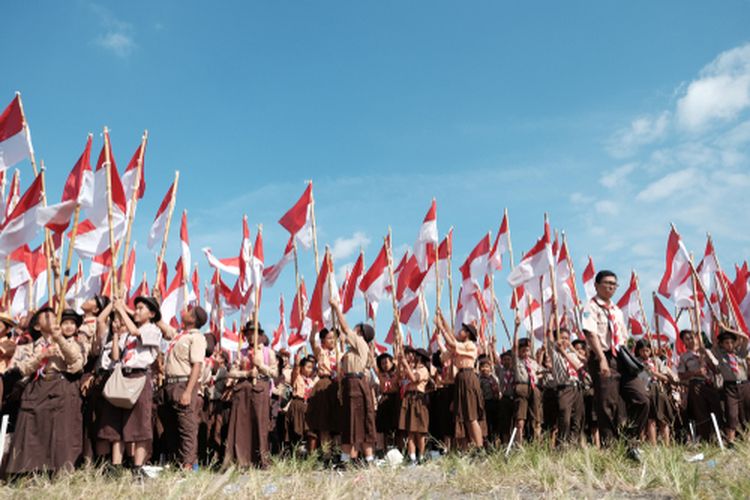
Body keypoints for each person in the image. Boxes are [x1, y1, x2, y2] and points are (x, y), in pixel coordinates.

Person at [5, 307, 85, 474]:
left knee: (60, 431)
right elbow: (23, 368)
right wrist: (42, 355)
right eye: (46, 316)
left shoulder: (70, 341)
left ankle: (59, 471)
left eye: (53, 315)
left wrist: (60, 340)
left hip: (60, 386)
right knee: (32, 428)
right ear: (37, 326)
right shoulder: (32, 346)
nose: (52, 317)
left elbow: (75, 363)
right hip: (37, 386)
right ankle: (29, 470)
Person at [581, 270, 649, 456]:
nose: (611, 287)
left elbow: (623, 337)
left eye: (614, 284)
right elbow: (590, 333)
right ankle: (610, 449)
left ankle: (629, 441)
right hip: (603, 358)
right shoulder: (590, 307)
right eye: (607, 283)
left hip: (622, 359)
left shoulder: (617, 310)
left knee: (641, 398)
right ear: (596, 285)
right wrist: (601, 359)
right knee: (607, 405)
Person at [98, 296, 162, 471]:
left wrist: (121, 309)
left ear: (152, 313)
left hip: (139, 378)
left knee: (140, 424)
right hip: (124, 376)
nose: (136, 311)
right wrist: (117, 334)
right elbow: (116, 356)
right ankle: (116, 466)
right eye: (136, 308)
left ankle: (137, 467)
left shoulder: (152, 330)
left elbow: (136, 333)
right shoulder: (128, 335)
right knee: (118, 422)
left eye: (141, 308)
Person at [157, 306, 208, 469]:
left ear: (193, 319)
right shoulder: (180, 335)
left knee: (186, 427)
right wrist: (156, 303)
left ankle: (188, 467)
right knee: (171, 427)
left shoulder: (197, 338)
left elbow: (197, 366)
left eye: (188, 311)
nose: (183, 312)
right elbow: (160, 323)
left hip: (184, 383)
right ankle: (176, 464)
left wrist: (188, 391)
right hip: (170, 383)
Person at [330, 297, 377, 466]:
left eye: (357, 328)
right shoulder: (353, 349)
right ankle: (350, 459)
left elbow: (344, 327)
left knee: (358, 422)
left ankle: (363, 459)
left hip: (356, 385)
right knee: (350, 422)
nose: (353, 329)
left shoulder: (360, 342)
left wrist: (336, 307)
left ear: (361, 333)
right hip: (350, 385)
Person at [224, 323, 277, 468]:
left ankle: (260, 460)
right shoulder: (241, 352)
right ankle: (240, 459)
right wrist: (246, 373)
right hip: (242, 390)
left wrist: (261, 366)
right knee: (241, 424)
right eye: (248, 334)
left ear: (260, 335)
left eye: (253, 333)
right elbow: (232, 372)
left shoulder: (268, 352)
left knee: (260, 424)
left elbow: (275, 372)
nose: (250, 337)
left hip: (260, 388)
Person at [435, 310, 484, 449]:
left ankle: (480, 448)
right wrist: (443, 320)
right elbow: (447, 351)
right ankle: (472, 447)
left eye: (462, 330)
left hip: (468, 377)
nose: (459, 331)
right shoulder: (457, 347)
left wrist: (442, 327)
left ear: (467, 333)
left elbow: (453, 342)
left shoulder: (470, 345)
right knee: (465, 417)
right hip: (460, 379)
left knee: (471, 416)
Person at [676, 330, 722, 442]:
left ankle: (720, 436)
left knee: (717, 409)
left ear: (697, 338)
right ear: (683, 342)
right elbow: (681, 375)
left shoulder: (706, 351)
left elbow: (717, 369)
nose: (690, 340)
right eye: (687, 339)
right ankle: (706, 439)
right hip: (695, 385)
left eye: (692, 337)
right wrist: (695, 373)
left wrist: (706, 355)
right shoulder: (684, 357)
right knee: (701, 412)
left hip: (709, 384)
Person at [305, 327, 341, 454]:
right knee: (324, 423)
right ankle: (327, 455)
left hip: (337, 386)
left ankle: (337, 454)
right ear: (323, 340)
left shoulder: (340, 353)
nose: (332, 340)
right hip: (323, 385)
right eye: (329, 338)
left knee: (337, 424)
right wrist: (314, 327)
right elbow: (312, 341)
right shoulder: (321, 352)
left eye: (334, 338)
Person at [712, 329, 750, 445]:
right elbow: (714, 342)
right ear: (722, 345)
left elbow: (746, 338)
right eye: (726, 342)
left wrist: (728, 328)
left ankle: (747, 439)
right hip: (730, 387)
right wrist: (717, 324)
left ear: (735, 343)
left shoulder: (740, 353)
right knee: (731, 414)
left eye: (731, 342)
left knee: (747, 412)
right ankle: (731, 441)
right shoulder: (721, 355)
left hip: (744, 385)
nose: (729, 345)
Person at [635, 340, 675, 445]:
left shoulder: (656, 361)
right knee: (650, 420)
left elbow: (665, 378)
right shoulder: (636, 362)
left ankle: (667, 445)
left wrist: (654, 373)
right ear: (638, 351)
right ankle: (653, 446)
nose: (645, 353)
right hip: (645, 391)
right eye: (642, 351)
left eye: (647, 350)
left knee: (663, 419)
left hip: (658, 389)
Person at [550, 328, 585, 445]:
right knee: (565, 417)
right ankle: (562, 444)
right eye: (562, 338)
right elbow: (550, 332)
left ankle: (573, 445)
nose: (564, 341)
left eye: (567, 338)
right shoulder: (555, 353)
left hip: (576, 387)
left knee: (577, 419)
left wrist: (571, 348)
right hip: (565, 388)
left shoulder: (571, 354)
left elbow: (582, 362)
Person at [397, 347, 431, 465]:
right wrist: (402, 363)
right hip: (409, 399)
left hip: (418, 400)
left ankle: (420, 457)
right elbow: (401, 377)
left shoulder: (423, 370)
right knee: (410, 431)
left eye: (415, 355)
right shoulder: (411, 368)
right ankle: (412, 458)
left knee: (420, 432)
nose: (412, 356)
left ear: (420, 357)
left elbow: (414, 379)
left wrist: (406, 365)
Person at [287, 352, 317, 449]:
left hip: (308, 407)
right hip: (298, 405)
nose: (310, 370)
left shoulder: (311, 381)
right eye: (308, 367)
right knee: (297, 432)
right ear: (302, 367)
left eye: (311, 368)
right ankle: (295, 455)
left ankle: (310, 456)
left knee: (311, 433)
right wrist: (297, 360)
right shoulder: (297, 377)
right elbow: (295, 369)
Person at [375, 352, 400, 450]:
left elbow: (399, 362)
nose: (384, 365)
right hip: (384, 399)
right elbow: (374, 365)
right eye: (382, 363)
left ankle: (397, 448)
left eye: (386, 362)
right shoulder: (381, 374)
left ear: (392, 362)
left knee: (395, 426)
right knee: (382, 427)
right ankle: (382, 450)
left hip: (395, 399)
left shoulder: (396, 373)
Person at [477, 355, 500, 445]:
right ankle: (490, 443)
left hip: (496, 402)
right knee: (489, 424)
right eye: (483, 367)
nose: (485, 369)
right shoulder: (480, 380)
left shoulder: (494, 377)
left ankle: (497, 441)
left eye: (487, 366)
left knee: (496, 424)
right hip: (487, 403)